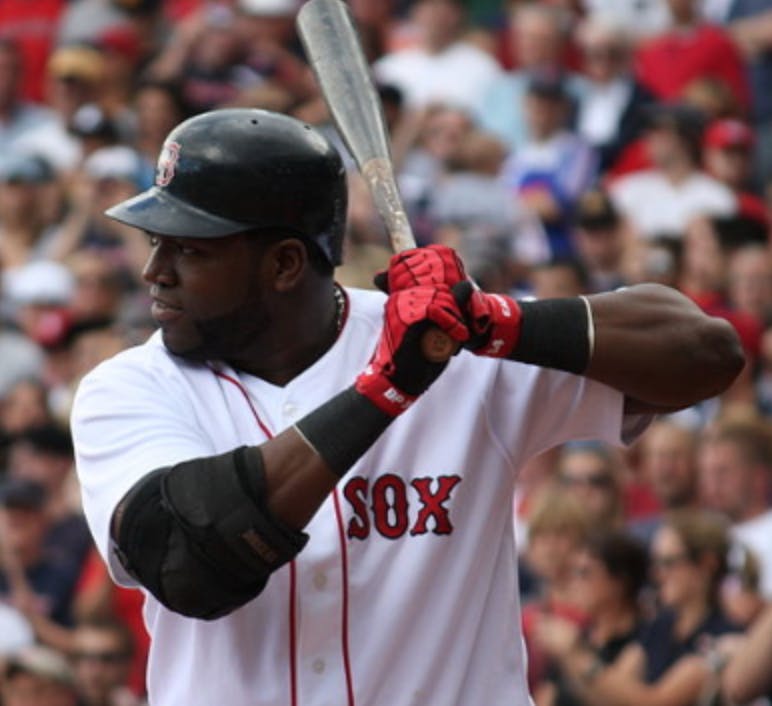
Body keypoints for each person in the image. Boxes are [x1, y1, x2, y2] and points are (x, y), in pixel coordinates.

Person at [70, 107, 744, 706]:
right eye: (157, 242)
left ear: (283, 265)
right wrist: (382, 393)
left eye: (189, 248)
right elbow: (187, 564)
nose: (154, 270)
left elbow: (705, 354)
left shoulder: (448, 345)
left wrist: (495, 320)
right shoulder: (129, 388)